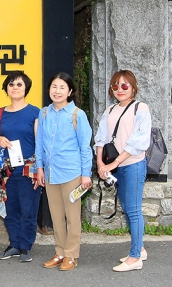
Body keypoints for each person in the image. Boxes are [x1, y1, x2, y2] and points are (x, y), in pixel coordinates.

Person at [94, 70, 151, 272]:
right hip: (115, 166)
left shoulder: (140, 108)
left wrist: (113, 164)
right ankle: (139, 248)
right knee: (127, 208)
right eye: (115, 86)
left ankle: (135, 258)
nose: (120, 89)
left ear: (133, 88)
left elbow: (138, 141)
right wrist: (100, 163)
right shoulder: (109, 110)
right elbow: (101, 138)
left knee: (133, 210)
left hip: (133, 164)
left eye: (125, 85)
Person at [35, 72, 92, 271]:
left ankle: (71, 254)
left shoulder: (77, 114)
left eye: (62, 87)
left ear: (69, 91)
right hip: (50, 173)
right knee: (56, 216)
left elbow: (85, 147)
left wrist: (86, 174)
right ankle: (59, 252)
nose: (57, 91)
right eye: (54, 86)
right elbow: (39, 143)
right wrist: (39, 168)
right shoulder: (44, 113)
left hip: (71, 173)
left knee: (72, 217)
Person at [0, 71, 42, 263]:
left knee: (29, 209)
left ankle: (25, 246)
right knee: (10, 208)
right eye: (11, 84)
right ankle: (14, 243)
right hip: (6, 170)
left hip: (28, 168)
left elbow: (40, 143)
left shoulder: (35, 112)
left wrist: (40, 169)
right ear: (6, 88)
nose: (15, 88)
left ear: (26, 88)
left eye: (19, 84)